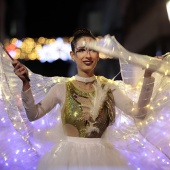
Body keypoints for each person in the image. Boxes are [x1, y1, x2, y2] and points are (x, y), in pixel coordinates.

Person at [0, 28, 168, 170]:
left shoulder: (108, 87)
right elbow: (33, 114)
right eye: (81, 50)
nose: (87, 55)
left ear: (98, 54)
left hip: (104, 161)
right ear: (73, 55)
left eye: (92, 49)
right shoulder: (62, 88)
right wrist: (25, 83)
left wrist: (148, 76)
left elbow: (139, 113)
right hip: (66, 161)